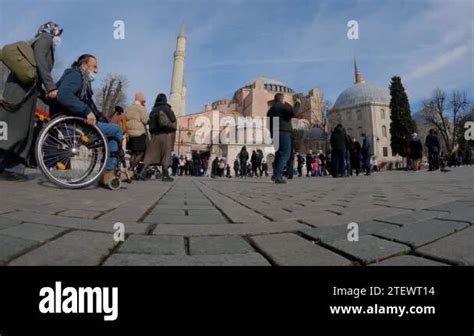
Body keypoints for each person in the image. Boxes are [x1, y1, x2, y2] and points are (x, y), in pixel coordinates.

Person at [0, 22, 62, 181]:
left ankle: (10, 168)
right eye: (58, 31)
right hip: (20, 92)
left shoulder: (41, 41)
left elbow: (38, 73)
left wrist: (44, 94)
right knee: (13, 130)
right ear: (51, 30)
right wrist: (50, 86)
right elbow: (40, 59)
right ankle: (10, 167)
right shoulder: (45, 38)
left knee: (20, 132)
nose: (59, 36)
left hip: (25, 93)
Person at [50, 54, 124, 185]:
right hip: (77, 123)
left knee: (110, 130)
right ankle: (109, 171)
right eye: (94, 66)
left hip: (77, 121)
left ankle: (109, 171)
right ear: (84, 66)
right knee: (117, 130)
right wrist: (87, 111)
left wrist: (97, 114)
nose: (97, 70)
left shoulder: (81, 80)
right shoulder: (76, 75)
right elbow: (64, 95)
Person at [138, 93, 176, 182]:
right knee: (166, 155)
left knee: (150, 155)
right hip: (165, 134)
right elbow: (173, 119)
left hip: (154, 135)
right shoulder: (167, 108)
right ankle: (165, 175)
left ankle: (142, 173)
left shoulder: (153, 110)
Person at [267, 93, 301, 184]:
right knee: (285, 154)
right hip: (284, 132)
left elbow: (269, 124)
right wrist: (297, 103)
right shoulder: (281, 106)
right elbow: (293, 112)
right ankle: (278, 176)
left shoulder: (270, 110)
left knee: (278, 154)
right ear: (282, 99)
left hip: (275, 133)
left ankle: (275, 175)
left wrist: (272, 134)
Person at [125, 92, 149, 175]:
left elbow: (125, 119)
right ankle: (131, 169)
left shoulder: (129, 108)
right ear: (141, 100)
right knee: (141, 152)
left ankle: (130, 170)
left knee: (133, 153)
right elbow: (145, 120)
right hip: (139, 133)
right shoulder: (141, 108)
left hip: (130, 134)